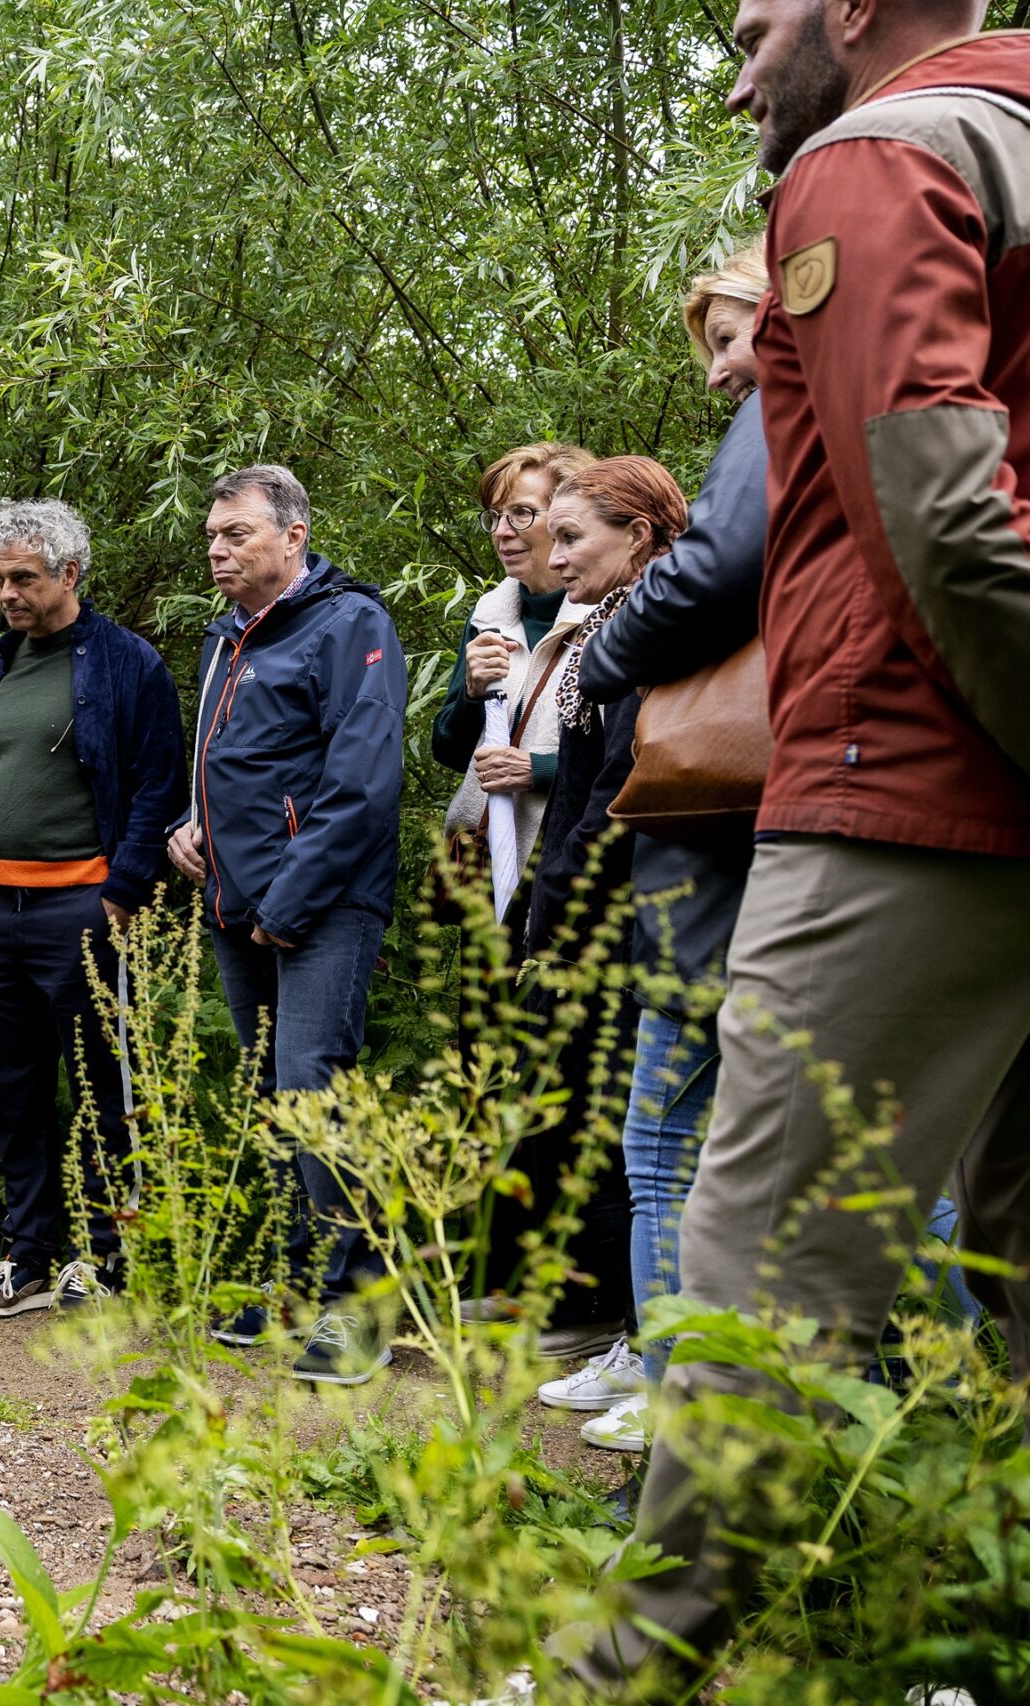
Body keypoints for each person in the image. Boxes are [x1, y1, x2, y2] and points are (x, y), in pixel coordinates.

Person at [577, 5, 1030, 1689]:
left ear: (850, 10)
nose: (741, 67)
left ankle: (635, 1667)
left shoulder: (883, 153)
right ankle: (967, 1644)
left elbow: (949, 529)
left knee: (757, 1275)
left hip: (910, 786)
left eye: (758, 25)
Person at [561, 238, 769, 1455]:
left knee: (668, 1138)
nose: (718, 373)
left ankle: (681, 1385)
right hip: (705, 858)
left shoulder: (776, 423)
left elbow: (721, 568)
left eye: (732, 337)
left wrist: (609, 646)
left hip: (711, 853)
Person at [167, 466, 406, 1384]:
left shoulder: (352, 623)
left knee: (316, 1091)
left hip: (320, 905)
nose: (218, 552)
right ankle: (300, 1285)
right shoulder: (225, 638)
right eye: (213, 538)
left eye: (237, 535)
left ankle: (365, 1309)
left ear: (294, 535)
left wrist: (288, 904)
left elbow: (362, 783)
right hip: (238, 902)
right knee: (270, 1098)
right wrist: (189, 826)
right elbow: (224, 760)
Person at [0, 498, 187, 1320]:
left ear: (70, 573)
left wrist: (122, 893)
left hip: (83, 910)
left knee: (100, 1089)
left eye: (24, 577)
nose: (9, 594)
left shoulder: (126, 663)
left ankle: (106, 1257)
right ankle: (27, 1255)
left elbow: (161, 781)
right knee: (16, 1093)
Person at [503, 456, 691, 1420]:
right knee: (602, 1130)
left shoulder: (661, 637)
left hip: (640, 922)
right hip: (588, 917)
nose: (553, 550)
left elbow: (621, 792)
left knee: (649, 1144)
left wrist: (560, 912)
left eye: (574, 536)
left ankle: (655, 1354)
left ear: (644, 537)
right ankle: (631, 1338)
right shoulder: (596, 636)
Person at [431, 442, 596, 918]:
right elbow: (448, 750)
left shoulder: (613, 614)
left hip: (574, 864)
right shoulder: (490, 616)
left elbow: (636, 758)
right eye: (496, 516)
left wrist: (539, 770)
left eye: (522, 514)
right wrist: (471, 694)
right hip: (488, 866)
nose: (502, 532)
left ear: (569, 519)